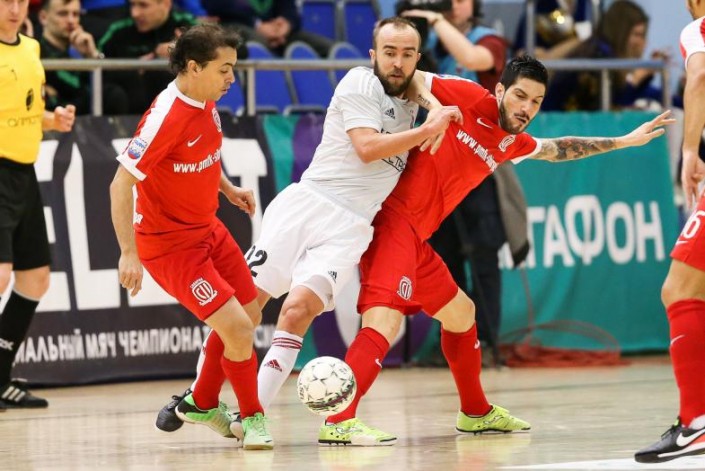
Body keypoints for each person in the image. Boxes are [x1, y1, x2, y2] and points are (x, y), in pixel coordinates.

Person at [318, 55, 674, 445]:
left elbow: (558, 149)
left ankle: (475, 412)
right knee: (383, 322)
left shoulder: (511, 142)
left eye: (536, 102)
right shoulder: (468, 95)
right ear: (500, 89)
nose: (526, 108)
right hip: (391, 222)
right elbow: (412, 77)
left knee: (461, 314)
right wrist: (435, 110)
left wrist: (623, 141)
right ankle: (339, 419)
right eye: (520, 95)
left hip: (416, 237)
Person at [153, 16, 462, 434]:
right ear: (373, 54)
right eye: (389, 52)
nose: (397, 61)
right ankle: (200, 395)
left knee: (298, 311)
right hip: (310, 204)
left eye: (407, 54)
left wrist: (433, 104)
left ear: (417, 59)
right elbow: (367, 147)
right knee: (246, 308)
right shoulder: (359, 82)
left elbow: (422, 86)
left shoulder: (414, 92)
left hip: (352, 227)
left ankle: (250, 418)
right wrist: (429, 126)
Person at [109, 23, 273, 450]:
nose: (232, 78)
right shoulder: (166, 116)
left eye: (233, 68)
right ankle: (253, 419)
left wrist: (228, 188)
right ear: (194, 67)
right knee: (238, 329)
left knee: (250, 314)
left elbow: (202, 154)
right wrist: (128, 253)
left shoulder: (206, 99)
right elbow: (120, 184)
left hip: (208, 229)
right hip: (170, 247)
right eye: (224, 69)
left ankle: (201, 401)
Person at [403, 0, 522, 361]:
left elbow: (471, 59)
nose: (453, 4)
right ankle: (452, 343)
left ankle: (486, 340)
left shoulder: (489, 40)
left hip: (479, 165)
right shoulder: (427, 43)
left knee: (484, 254)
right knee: (445, 257)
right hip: (439, 163)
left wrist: (436, 20)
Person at [634, 0, 705, 464]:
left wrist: (690, 151)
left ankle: (695, 423)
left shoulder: (699, 28)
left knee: (679, 289)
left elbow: (699, 76)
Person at [0, 0, 75, 409]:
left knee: (35, 279)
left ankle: (0, 377)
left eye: (19, 1)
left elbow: (28, 108)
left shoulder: (30, 48)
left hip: (23, 171)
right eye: (5, 1)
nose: (13, 9)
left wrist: (53, 119)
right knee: (0, 275)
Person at [543, 0, 668, 111]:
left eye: (643, 35)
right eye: (637, 35)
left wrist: (644, 77)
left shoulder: (599, 50)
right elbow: (607, 109)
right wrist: (637, 78)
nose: (642, 42)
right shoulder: (598, 58)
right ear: (621, 33)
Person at [97, 0, 196, 114]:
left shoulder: (188, 26)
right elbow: (100, 72)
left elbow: (210, 55)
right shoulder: (118, 31)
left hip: (177, 111)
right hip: (130, 112)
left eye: (143, 5)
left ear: (166, 4)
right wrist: (135, 69)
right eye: (132, 5)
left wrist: (185, 51)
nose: (135, 13)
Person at [198, 0, 334, 57]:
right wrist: (257, 25)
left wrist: (285, 25)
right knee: (258, 44)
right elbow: (217, 5)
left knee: (327, 47)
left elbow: (290, 9)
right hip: (237, 25)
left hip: (278, 33)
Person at [38, 0, 102, 115]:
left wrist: (92, 56)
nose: (71, 21)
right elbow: (82, 93)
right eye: (63, 14)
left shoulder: (79, 52)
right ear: (43, 17)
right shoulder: (35, 52)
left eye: (75, 14)